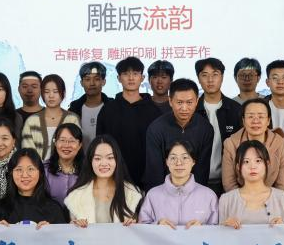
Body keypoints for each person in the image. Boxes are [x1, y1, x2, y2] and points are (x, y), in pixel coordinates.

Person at [96, 57, 161, 186]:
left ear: (142, 78)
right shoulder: (108, 110)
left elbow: (158, 149)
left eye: (135, 74)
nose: (131, 78)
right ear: (119, 78)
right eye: (126, 74)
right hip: (114, 178)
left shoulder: (154, 111)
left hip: (147, 180)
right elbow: (100, 145)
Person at [143, 79, 214, 190]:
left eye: (189, 102)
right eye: (179, 102)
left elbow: (202, 170)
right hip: (164, 191)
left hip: (194, 191)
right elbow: (154, 172)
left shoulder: (205, 128)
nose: (184, 108)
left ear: (197, 101)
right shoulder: (156, 128)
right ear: (170, 101)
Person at [195, 58, 243, 194]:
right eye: (205, 75)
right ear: (198, 79)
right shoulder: (192, 110)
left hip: (230, 183)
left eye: (215, 74)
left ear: (222, 77)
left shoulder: (236, 110)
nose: (210, 80)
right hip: (196, 182)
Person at [222, 99, 284, 192]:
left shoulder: (282, 145)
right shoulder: (230, 144)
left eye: (261, 116)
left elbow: (282, 185)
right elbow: (229, 183)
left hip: (273, 198)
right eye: (250, 116)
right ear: (243, 120)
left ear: (268, 120)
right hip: (238, 198)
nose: (255, 121)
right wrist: (243, 199)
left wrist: (269, 200)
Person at [21, 74, 80, 161]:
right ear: (42, 94)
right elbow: (27, 152)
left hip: (66, 168)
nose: (51, 96)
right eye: (47, 92)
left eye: (55, 92)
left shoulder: (72, 119)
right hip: (37, 168)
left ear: (63, 93)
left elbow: (76, 147)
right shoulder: (32, 121)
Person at [68, 62, 110, 144]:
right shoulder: (73, 109)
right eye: (87, 79)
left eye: (96, 79)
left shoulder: (112, 107)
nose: (92, 83)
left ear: (103, 82)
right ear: (81, 83)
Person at [45, 122, 84, 204]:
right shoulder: (44, 169)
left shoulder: (87, 170)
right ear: (55, 143)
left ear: (80, 145)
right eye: (62, 140)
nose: (66, 145)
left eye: (72, 141)